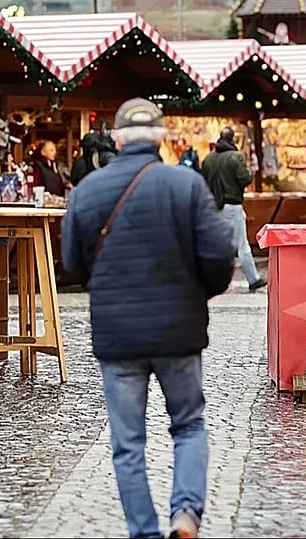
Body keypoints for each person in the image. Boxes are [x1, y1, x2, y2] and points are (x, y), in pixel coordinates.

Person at [61, 98, 234, 539]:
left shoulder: (87, 192)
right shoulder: (187, 185)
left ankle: (144, 532)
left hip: (118, 337)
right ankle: (186, 515)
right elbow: (220, 255)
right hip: (179, 332)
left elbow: (73, 264)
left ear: (117, 140)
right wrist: (199, 294)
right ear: (161, 138)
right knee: (189, 424)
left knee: (127, 445)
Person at [201, 126, 266, 291]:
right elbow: (244, 179)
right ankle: (253, 279)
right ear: (232, 139)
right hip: (232, 205)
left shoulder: (209, 158)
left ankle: (210, 280)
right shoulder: (235, 157)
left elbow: (203, 180)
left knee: (215, 244)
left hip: (214, 206)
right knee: (242, 245)